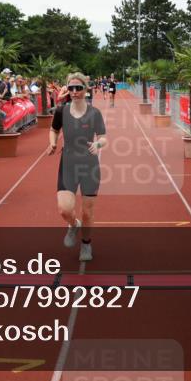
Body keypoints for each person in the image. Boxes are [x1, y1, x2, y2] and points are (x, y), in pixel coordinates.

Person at [47, 73, 107, 262]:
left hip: (89, 165)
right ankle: (74, 225)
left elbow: (103, 137)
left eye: (78, 88)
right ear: (67, 89)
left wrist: (98, 145)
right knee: (64, 209)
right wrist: (53, 143)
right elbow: (54, 129)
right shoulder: (61, 111)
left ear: (85, 89)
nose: (74, 92)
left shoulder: (94, 113)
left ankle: (86, 245)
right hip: (68, 164)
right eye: (71, 88)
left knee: (88, 211)